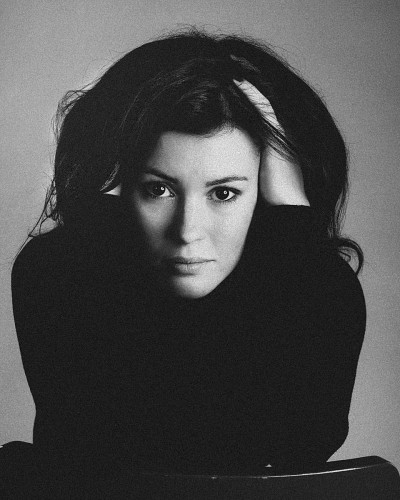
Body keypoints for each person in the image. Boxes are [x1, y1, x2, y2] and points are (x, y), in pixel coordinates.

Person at [4, 28, 366, 495]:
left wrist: (292, 225)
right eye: (158, 189)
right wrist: (99, 208)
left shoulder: (319, 291)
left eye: (224, 193)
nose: (187, 230)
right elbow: (102, 441)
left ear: (267, 199)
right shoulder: (56, 276)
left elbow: (297, 444)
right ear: (117, 190)